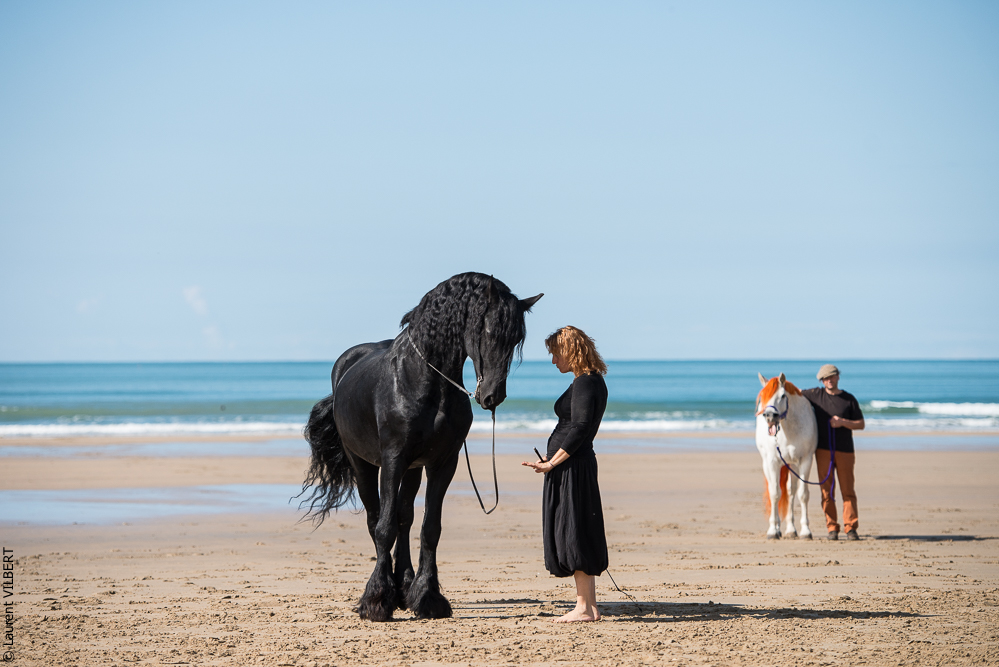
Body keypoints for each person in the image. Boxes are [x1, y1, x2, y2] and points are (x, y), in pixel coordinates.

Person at [522, 326, 609, 622]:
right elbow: (577, 427)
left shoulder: (586, 382)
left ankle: (583, 608)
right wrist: (552, 459)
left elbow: (581, 428)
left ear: (571, 351)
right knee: (577, 529)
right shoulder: (589, 381)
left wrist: (551, 463)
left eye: (555, 353)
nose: (553, 360)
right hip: (573, 464)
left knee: (574, 532)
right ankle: (591, 606)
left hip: (573, 467)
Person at [802, 364, 865, 541]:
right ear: (822, 381)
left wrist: (843, 422)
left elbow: (861, 424)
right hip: (823, 451)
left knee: (848, 490)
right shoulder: (815, 394)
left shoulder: (849, 399)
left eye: (832, 377)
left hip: (845, 450)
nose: (829, 381)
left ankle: (851, 528)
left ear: (838, 377)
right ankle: (832, 528)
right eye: (825, 378)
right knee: (826, 492)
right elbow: (794, 393)